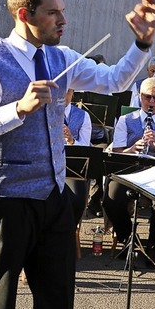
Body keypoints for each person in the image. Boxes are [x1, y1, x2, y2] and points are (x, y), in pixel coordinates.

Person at [0, 0, 155, 309]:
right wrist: (18, 109)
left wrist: (142, 42)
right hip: (7, 201)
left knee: (57, 306)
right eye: (53, 13)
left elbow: (116, 80)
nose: (63, 20)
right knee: (0, 308)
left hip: (54, 198)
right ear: (25, 14)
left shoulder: (62, 57)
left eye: (63, 11)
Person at [103, 78, 155, 267]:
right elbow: (117, 152)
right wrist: (132, 149)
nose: (151, 102)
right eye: (147, 97)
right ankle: (128, 240)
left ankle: (152, 245)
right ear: (140, 97)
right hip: (129, 170)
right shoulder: (125, 120)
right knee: (110, 199)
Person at [63, 88, 92, 224]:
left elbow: (85, 148)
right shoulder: (43, 111)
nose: (64, 95)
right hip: (46, 164)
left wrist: (71, 140)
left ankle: (67, 232)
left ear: (73, 93)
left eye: (68, 91)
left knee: (77, 199)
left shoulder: (83, 116)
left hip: (72, 167)